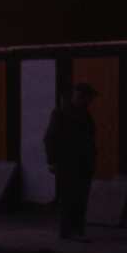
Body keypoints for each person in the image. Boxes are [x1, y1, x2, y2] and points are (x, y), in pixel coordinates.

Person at [43, 82, 98, 241]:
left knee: (80, 199)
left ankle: (77, 230)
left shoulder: (84, 113)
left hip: (83, 164)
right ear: (80, 96)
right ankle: (69, 232)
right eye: (88, 97)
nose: (90, 101)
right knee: (70, 199)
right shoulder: (61, 113)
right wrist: (52, 161)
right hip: (68, 164)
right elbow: (50, 138)